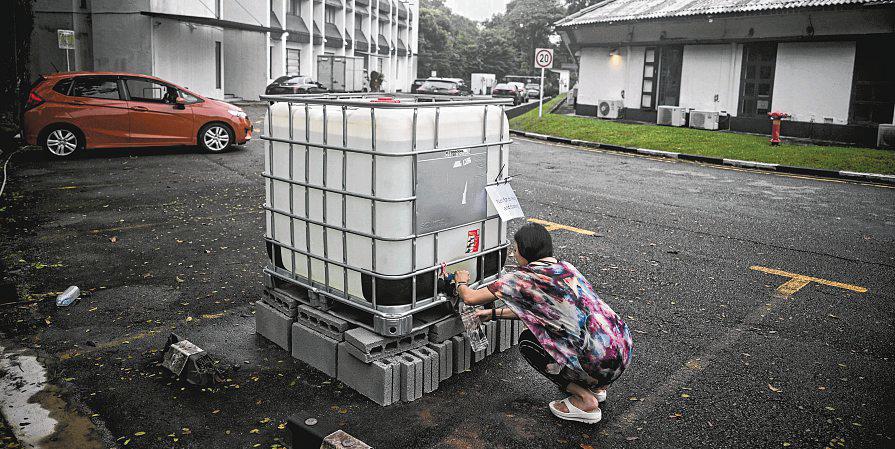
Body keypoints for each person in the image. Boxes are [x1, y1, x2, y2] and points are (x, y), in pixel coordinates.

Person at [454, 223, 633, 424]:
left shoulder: (521, 279)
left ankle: (585, 400)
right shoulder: (566, 268)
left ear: (524, 251)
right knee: (579, 338)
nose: (513, 255)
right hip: (620, 353)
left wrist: (460, 281)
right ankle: (598, 388)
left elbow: (469, 298)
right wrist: (494, 313)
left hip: (594, 363)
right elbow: (546, 314)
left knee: (529, 342)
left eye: (515, 250)